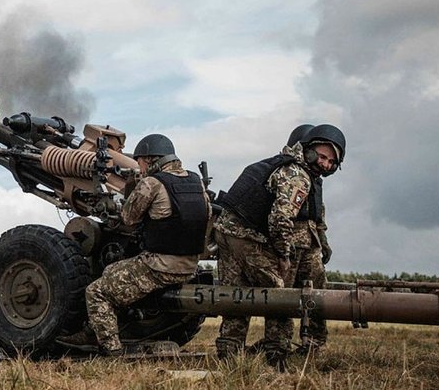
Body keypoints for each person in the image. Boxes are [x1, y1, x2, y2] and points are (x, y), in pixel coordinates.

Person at [56, 134, 211, 356]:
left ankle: (112, 351)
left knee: (97, 291)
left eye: (139, 162)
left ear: (149, 159)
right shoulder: (196, 182)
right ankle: (99, 328)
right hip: (189, 266)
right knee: (112, 272)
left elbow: (128, 218)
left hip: (159, 267)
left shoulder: (152, 183)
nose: (139, 167)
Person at [214, 124, 345, 369]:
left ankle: (229, 354)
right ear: (308, 150)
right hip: (247, 238)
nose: (326, 164)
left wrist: (321, 242)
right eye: (323, 156)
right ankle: (276, 354)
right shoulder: (297, 175)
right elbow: (280, 218)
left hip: (227, 233)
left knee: (235, 294)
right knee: (278, 294)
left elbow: (313, 217)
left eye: (331, 161)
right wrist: (283, 254)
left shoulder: (280, 165)